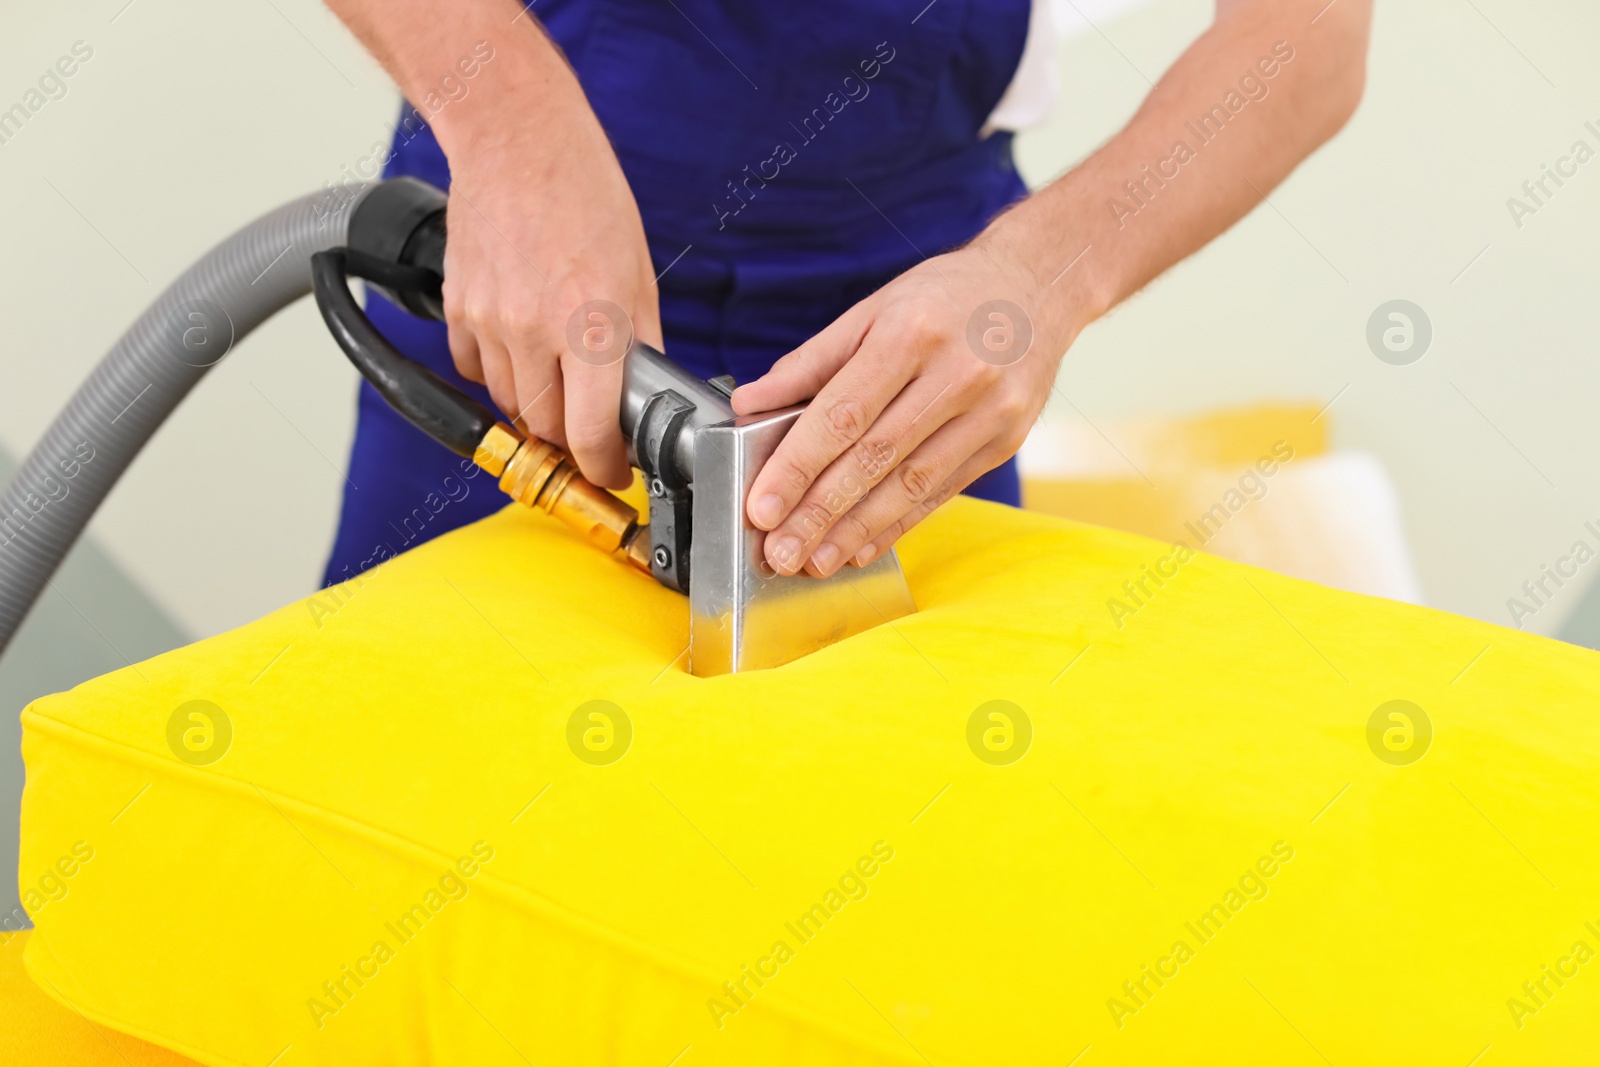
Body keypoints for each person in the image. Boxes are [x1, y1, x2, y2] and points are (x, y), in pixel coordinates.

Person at [320, 0, 1370, 588]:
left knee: (876, 831)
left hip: (902, 298)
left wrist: (1039, 278)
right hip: (521, 252)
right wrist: (512, 130)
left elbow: (1309, 36)